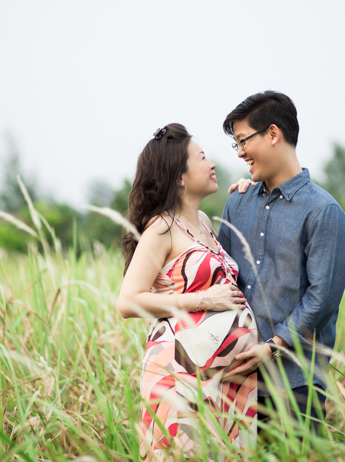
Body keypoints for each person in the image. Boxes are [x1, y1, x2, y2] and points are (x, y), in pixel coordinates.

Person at [116, 123, 259, 461]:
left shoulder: (206, 222)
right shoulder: (162, 227)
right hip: (180, 377)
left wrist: (251, 197)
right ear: (180, 177)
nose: (212, 165)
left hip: (226, 383)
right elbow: (127, 301)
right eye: (203, 158)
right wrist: (205, 300)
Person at [217, 91, 345, 434]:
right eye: (236, 144)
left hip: (296, 383)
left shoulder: (323, 212)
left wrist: (272, 349)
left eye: (244, 140)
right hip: (235, 379)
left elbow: (321, 300)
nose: (240, 152)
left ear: (273, 134)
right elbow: (221, 275)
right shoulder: (238, 203)